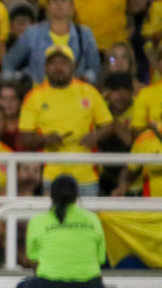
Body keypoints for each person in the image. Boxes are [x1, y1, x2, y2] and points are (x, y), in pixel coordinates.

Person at [18, 45, 113, 197]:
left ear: (73, 67)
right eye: (53, 63)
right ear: (45, 67)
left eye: (63, 63)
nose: (58, 67)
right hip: (51, 174)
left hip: (86, 174)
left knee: (85, 220)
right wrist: (45, 140)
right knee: (54, 220)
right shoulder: (34, 96)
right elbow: (25, 138)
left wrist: (97, 136)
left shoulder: (89, 92)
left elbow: (108, 126)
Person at [2, 0, 100, 85]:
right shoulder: (32, 33)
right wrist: (19, 80)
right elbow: (9, 62)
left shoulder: (85, 34)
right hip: (38, 95)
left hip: (74, 96)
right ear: (47, 6)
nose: (59, 4)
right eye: (54, 0)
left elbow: (95, 69)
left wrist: (85, 78)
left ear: (72, 6)